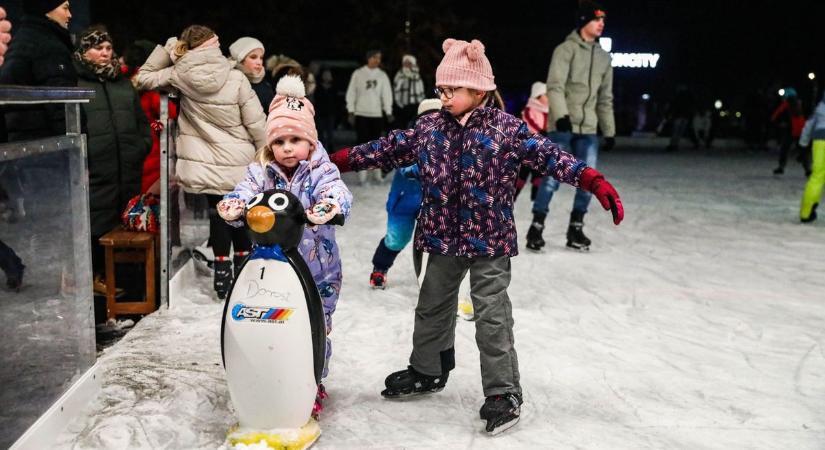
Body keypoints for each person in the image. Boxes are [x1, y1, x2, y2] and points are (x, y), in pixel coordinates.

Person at [330, 38, 624, 434]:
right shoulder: (429, 128)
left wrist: (591, 178)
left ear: (479, 90)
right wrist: (338, 160)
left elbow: (551, 156)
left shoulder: (507, 129)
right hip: (439, 238)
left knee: (491, 315)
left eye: (452, 90)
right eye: (441, 90)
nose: (444, 96)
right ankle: (427, 369)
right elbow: (387, 148)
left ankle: (503, 392)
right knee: (431, 307)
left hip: (490, 241)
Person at [217, 75, 352, 418]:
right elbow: (243, 192)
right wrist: (235, 205)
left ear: (310, 140)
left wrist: (330, 206)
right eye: (280, 141)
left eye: (296, 139)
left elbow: (337, 191)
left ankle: (313, 381)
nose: (288, 148)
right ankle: (268, 375)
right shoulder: (261, 172)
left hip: (318, 267)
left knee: (315, 326)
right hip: (273, 266)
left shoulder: (321, 170)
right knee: (274, 322)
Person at [135, 25, 267, 299]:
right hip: (238, 160)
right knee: (239, 210)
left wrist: (169, 46)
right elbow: (256, 122)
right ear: (215, 46)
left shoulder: (178, 75)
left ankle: (222, 271)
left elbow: (143, 78)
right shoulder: (235, 77)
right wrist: (265, 154)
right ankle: (242, 264)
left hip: (202, 162)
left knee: (218, 213)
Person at [527, 1, 616, 252]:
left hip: (588, 128)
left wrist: (609, 130)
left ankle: (575, 228)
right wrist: (562, 115)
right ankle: (537, 226)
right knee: (552, 178)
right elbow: (555, 85)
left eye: (603, 20)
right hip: (563, 126)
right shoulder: (565, 50)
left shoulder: (604, 57)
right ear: (584, 21)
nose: (601, 23)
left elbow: (605, 97)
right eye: (596, 19)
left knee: (590, 180)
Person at [73, 26, 152, 297]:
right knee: (96, 225)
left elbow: (141, 122)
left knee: (125, 225)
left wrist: (141, 146)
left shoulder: (121, 83)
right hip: (95, 171)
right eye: (98, 48)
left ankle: (127, 285)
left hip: (127, 169)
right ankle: (95, 280)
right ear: (84, 52)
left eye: (108, 48)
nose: (105, 53)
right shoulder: (75, 84)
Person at [368, 98, 441, 289]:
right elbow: (405, 167)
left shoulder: (450, 142)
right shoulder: (408, 141)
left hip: (435, 202)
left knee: (438, 240)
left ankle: (438, 278)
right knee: (397, 238)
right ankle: (380, 268)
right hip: (404, 200)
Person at [0, 0, 75, 142]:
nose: (69, 15)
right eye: (65, 8)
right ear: (46, 10)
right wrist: (77, 152)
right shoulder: (49, 46)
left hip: (20, 147)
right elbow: (63, 108)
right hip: (49, 150)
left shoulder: (21, 40)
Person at [345, 49, 393, 185]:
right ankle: (362, 175)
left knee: (377, 146)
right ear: (369, 58)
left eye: (379, 58)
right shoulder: (358, 74)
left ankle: (376, 174)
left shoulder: (382, 75)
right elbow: (351, 93)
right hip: (361, 113)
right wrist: (351, 110)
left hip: (376, 114)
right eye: (376, 58)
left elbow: (386, 94)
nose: (378, 60)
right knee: (362, 146)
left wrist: (387, 111)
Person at [515, 81, 549, 200]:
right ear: (538, 96)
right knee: (523, 172)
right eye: (546, 95)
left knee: (539, 172)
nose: (549, 98)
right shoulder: (529, 109)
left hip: (541, 148)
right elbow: (529, 123)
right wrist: (541, 131)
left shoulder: (548, 111)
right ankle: (514, 194)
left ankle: (536, 194)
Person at [798, 95, 825, 222]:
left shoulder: (819, 108)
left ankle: (806, 213)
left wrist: (803, 143)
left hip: (820, 141)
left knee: (817, 177)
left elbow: (808, 125)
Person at [229, 37, 273, 112]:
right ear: (241, 60)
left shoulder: (266, 87)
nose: (259, 62)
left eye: (261, 58)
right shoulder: (228, 82)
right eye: (253, 57)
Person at [393, 54, 426, 127]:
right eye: (405, 63)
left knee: (414, 124)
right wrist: (398, 102)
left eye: (409, 63)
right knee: (402, 124)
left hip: (415, 104)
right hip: (403, 104)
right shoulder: (399, 74)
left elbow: (421, 89)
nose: (407, 65)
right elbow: (396, 89)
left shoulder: (417, 75)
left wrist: (421, 101)